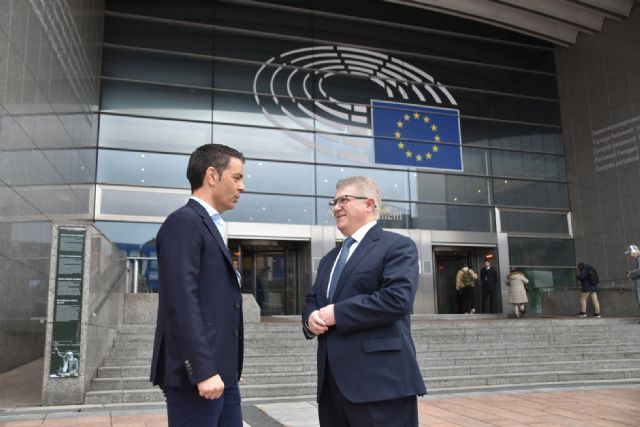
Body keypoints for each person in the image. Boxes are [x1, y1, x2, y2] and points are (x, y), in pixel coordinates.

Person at [302, 176, 426, 427]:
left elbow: (396, 299)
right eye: (334, 202)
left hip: (380, 384)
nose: (336, 207)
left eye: (343, 200)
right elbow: (313, 300)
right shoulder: (330, 259)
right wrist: (310, 318)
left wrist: (337, 313)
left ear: (369, 204)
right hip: (332, 386)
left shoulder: (397, 246)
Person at [149, 144, 246, 426]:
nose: (242, 187)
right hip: (197, 377)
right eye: (237, 177)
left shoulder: (210, 225)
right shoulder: (184, 223)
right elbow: (181, 302)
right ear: (212, 175)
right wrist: (202, 369)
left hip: (222, 373)